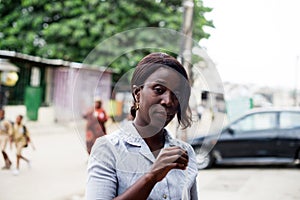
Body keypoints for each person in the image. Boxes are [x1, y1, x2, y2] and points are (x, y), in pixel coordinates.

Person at [87, 52, 198, 199]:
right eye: (159, 90)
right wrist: (151, 177)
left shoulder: (185, 152)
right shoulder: (108, 149)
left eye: (176, 94)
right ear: (137, 93)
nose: (168, 101)